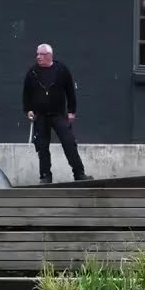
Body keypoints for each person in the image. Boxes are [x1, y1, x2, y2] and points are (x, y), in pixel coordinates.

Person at [22, 43, 91, 184]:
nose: (38, 57)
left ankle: (79, 173)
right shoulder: (32, 73)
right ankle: (45, 176)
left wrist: (72, 111)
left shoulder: (61, 70)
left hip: (59, 114)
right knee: (42, 147)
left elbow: (70, 91)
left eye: (41, 54)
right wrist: (28, 110)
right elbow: (26, 94)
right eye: (37, 54)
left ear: (49, 56)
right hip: (40, 116)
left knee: (69, 143)